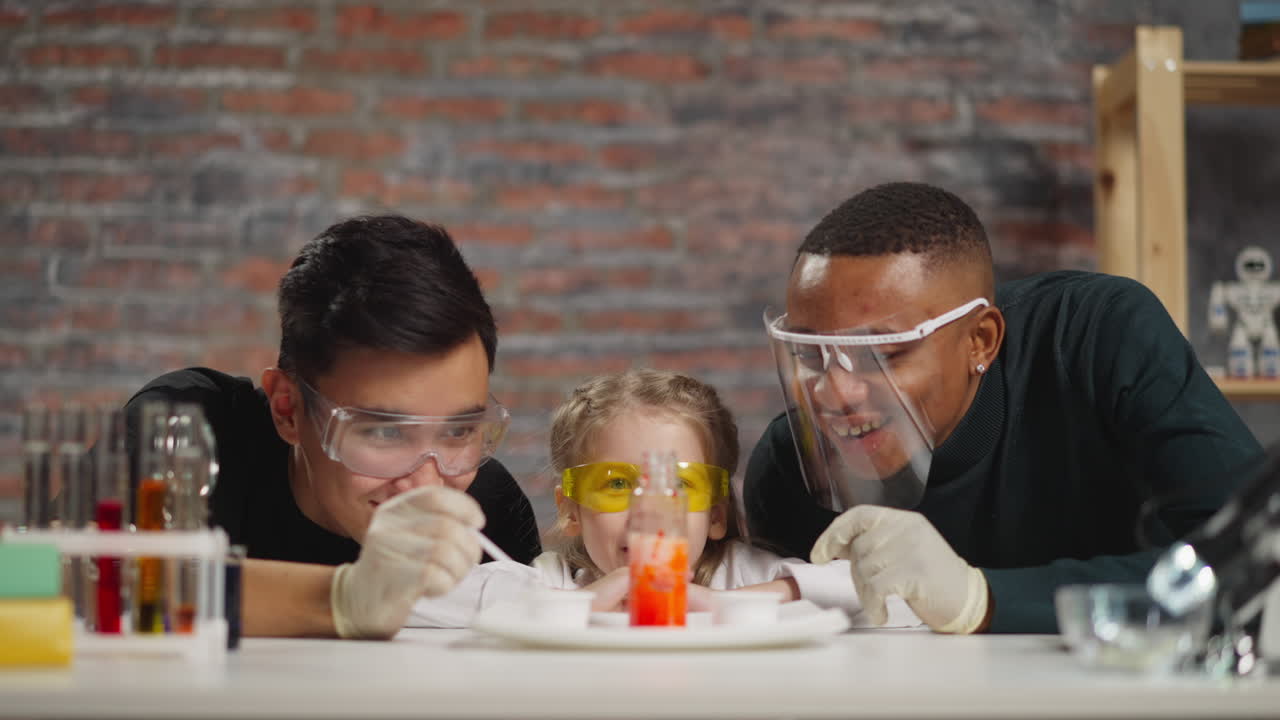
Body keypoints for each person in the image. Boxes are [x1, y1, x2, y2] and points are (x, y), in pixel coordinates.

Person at [745, 182, 1264, 634]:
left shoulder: (1099, 338)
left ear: (981, 341)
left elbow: (1253, 559)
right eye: (808, 354)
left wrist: (982, 598)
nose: (835, 394)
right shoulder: (786, 471)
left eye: (881, 354)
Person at [124, 215, 540, 639]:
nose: (427, 484)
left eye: (458, 431)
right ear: (288, 409)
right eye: (385, 432)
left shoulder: (490, 507)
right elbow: (99, 579)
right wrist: (343, 600)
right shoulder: (188, 433)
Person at [406, 369, 920, 628]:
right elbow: (415, 601)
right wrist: (576, 608)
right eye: (616, 484)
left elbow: (898, 598)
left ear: (715, 515)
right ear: (570, 510)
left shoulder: (744, 575)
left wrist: (735, 604)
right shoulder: (555, 581)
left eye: (678, 487)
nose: (646, 514)